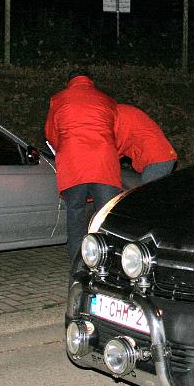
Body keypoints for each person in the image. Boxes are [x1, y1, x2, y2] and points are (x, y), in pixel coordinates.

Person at [45, 70, 121, 268]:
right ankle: (108, 264)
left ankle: (78, 265)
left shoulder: (58, 99)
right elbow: (116, 132)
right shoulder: (107, 100)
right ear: (90, 82)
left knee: (76, 214)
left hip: (74, 163)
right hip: (104, 163)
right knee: (105, 216)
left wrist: (66, 147)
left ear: (70, 82)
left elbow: (51, 134)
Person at [114, 103, 178, 183]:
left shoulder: (114, 116)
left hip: (158, 159)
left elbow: (112, 149)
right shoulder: (115, 113)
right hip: (158, 158)